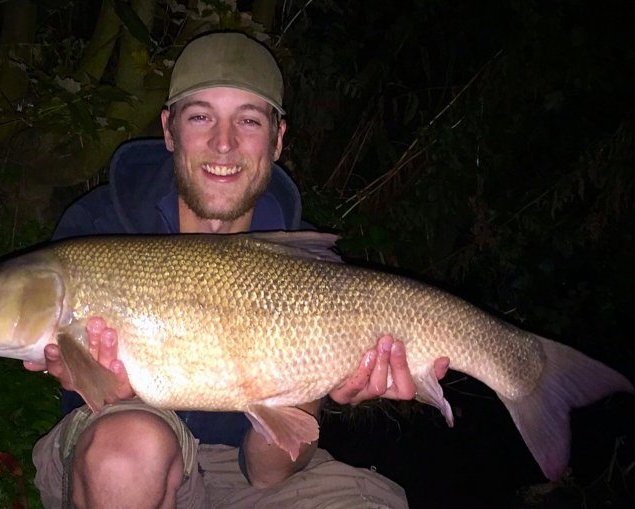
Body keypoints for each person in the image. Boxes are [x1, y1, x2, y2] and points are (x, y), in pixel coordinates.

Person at [25, 31, 449, 508]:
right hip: (116, 446)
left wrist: (310, 387)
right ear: (169, 129)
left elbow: (270, 475)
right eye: (201, 116)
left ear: (277, 138)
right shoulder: (97, 231)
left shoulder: (307, 268)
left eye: (247, 120)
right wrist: (106, 388)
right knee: (130, 452)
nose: (223, 144)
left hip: (244, 472)